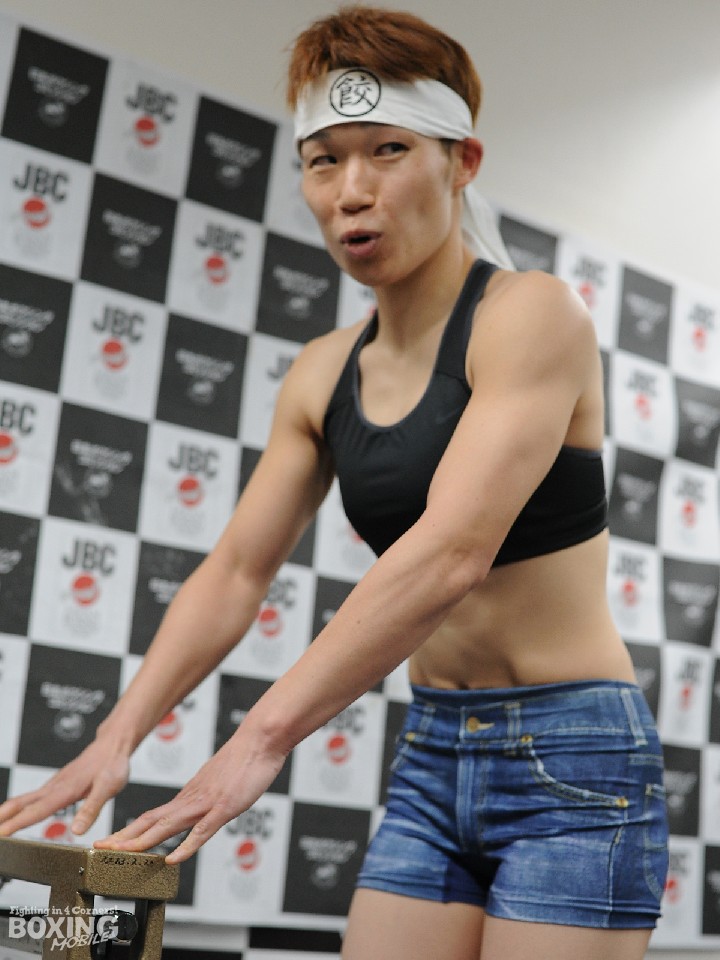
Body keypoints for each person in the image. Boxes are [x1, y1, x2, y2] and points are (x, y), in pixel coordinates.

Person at [0, 6, 668, 959]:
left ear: (462, 161)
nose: (352, 191)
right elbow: (237, 571)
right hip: (434, 749)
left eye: (388, 150)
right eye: (323, 160)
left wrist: (260, 739)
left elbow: (451, 553)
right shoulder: (321, 371)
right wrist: (118, 735)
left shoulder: (531, 315)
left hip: (575, 749)